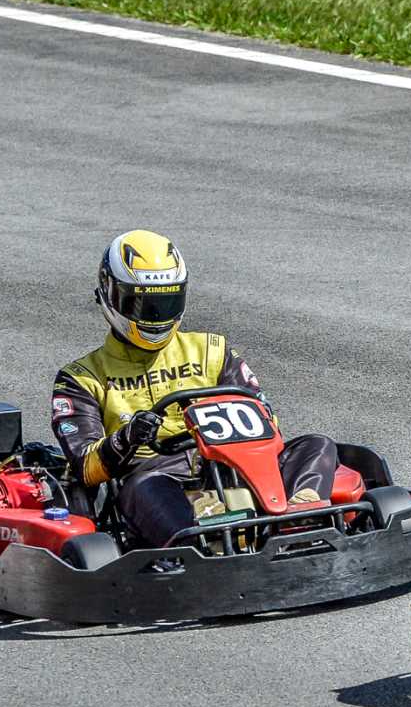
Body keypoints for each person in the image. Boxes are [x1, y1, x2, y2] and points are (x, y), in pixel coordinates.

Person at [50, 230, 338, 548]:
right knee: (147, 486)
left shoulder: (211, 350)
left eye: (166, 301)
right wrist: (127, 438)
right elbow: (86, 468)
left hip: (227, 466)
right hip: (156, 477)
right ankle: (197, 543)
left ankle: (298, 518)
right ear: (110, 294)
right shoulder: (82, 378)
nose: (156, 315)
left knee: (317, 445)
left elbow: (265, 421)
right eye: (142, 304)